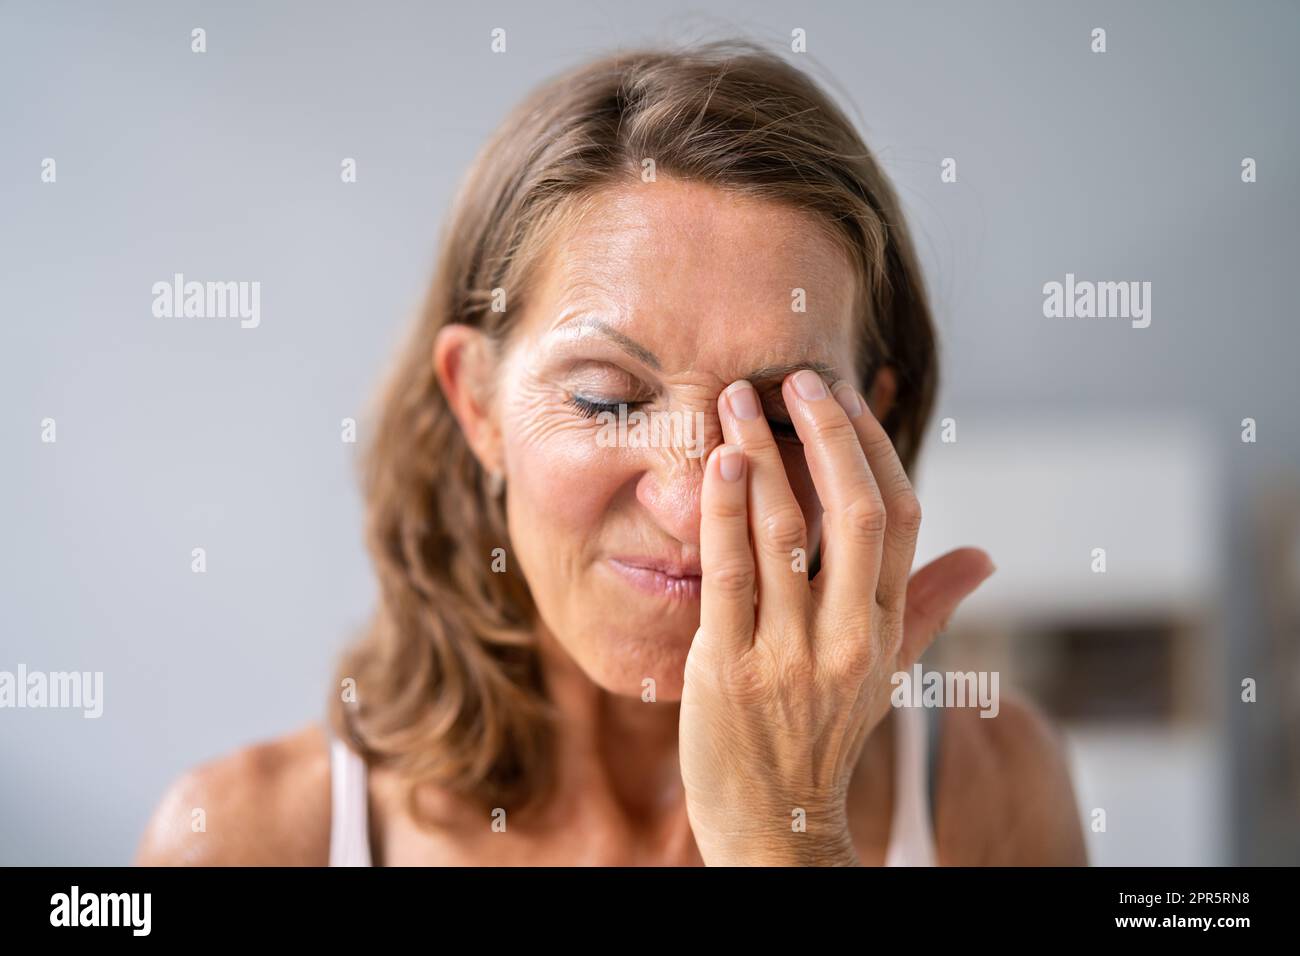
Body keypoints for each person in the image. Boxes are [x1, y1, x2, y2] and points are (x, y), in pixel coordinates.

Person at [137, 41, 1088, 867]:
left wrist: (782, 838)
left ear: (869, 429)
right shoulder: (247, 838)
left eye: (781, 420)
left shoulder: (992, 792)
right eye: (606, 399)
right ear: (477, 403)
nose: (685, 503)